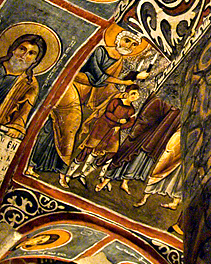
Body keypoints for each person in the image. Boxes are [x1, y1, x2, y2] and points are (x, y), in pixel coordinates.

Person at [29, 28, 148, 184]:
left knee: (72, 130)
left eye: (133, 45)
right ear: (117, 39)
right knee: (69, 122)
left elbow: (108, 85)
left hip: (85, 94)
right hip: (74, 86)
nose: (129, 46)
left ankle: (56, 169)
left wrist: (130, 83)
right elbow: (97, 75)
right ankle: (33, 164)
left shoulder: (119, 61)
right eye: (127, 41)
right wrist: (122, 82)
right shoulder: (100, 50)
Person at [68, 83, 140, 183]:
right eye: (133, 93)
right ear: (127, 93)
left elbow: (131, 122)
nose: (135, 96)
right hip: (102, 127)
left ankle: (83, 174)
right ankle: (69, 174)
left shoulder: (131, 109)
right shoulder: (116, 102)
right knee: (88, 149)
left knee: (110, 153)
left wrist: (120, 127)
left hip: (114, 131)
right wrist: (118, 120)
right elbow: (108, 113)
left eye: (136, 95)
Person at [0, 34, 46, 139]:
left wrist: (16, 127)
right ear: (13, 49)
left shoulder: (30, 83)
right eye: (22, 49)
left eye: (31, 53)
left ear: (35, 60)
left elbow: (24, 110)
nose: (24, 56)